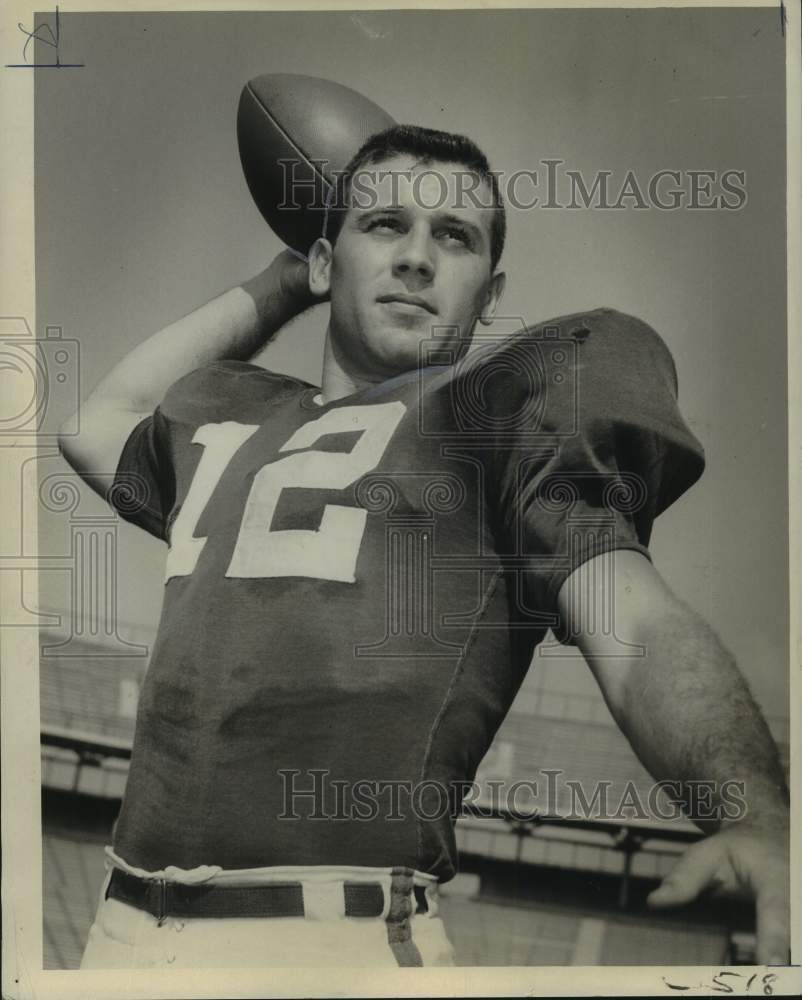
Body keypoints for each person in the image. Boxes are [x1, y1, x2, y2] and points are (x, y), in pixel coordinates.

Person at [59, 125, 790, 969]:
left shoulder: (496, 421)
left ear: (490, 292)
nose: (416, 258)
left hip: (334, 941)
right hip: (118, 935)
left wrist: (752, 815)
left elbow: (635, 626)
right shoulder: (231, 419)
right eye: (385, 227)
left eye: (453, 237)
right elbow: (95, 425)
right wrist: (288, 276)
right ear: (329, 260)